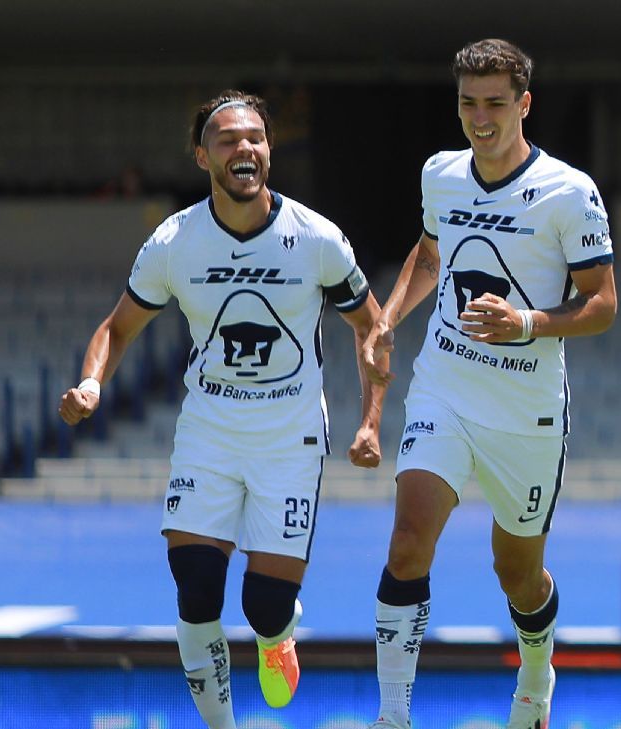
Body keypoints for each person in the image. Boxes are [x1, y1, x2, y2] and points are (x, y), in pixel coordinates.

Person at [58, 90, 389, 728]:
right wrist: (92, 383)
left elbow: (372, 329)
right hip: (208, 433)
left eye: (255, 138)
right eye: (228, 139)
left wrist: (370, 421)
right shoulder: (173, 241)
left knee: (264, 605)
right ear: (201, 155)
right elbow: (117, 327)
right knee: (197, 588)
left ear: (269, 150)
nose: (244, 148)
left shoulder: (316, 238)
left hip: (289, 439)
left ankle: (277, 632)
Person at [359, 38, 617, 729]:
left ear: (524, 104)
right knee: (408, 542)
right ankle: (393, 715)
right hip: (444, 386)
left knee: (518, 575)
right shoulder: (440, 174)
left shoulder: (570, 192)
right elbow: (430, 252)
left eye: (495, 103)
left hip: (526, 414)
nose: (480, 118)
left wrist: (526, 323)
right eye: (468, 103)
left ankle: (536, 671)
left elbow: (602, 304)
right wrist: (387, 318)